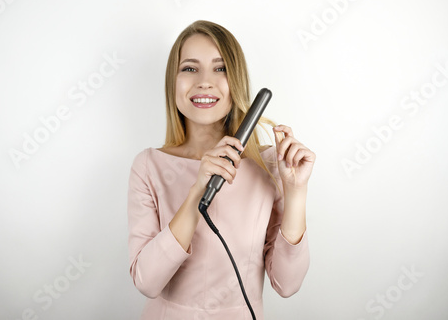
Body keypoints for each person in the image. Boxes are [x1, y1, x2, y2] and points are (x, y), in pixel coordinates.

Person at [127, 20, 316, 319]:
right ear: (172, 82)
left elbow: (287, 283)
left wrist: (296, 193)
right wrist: (196, 191)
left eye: (220, 68)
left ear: (236, 81)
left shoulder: (269, 166)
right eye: (189, 68)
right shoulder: (149, 166)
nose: (204, 81)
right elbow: (146, 281)